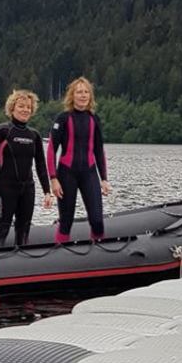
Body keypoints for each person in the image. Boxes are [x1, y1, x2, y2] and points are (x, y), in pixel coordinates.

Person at [0, 89, 53, 248]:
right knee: (2, 230)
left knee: (24, 231)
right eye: (21, 106)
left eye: (28, 107)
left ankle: (20, 261)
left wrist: (47, 192)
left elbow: (41, 164)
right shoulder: (2, 131)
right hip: (6, 188)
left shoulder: (34, 135)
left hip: (28, 189)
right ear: (12, 108)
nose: (25, 110)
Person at [47, 77, 111, 242]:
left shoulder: (94, 119)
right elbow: (52, 149)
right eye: (79, 92)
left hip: (89, 173)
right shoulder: (63, 118)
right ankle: (60, 252)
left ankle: (98, 251)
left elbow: (99, 150)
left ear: (90, 96)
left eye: (86, 92)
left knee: (97, 220)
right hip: (66, 173)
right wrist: (53, 179)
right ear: (72, 95)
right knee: (66, 221)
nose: (83, 95)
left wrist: (104, 179)